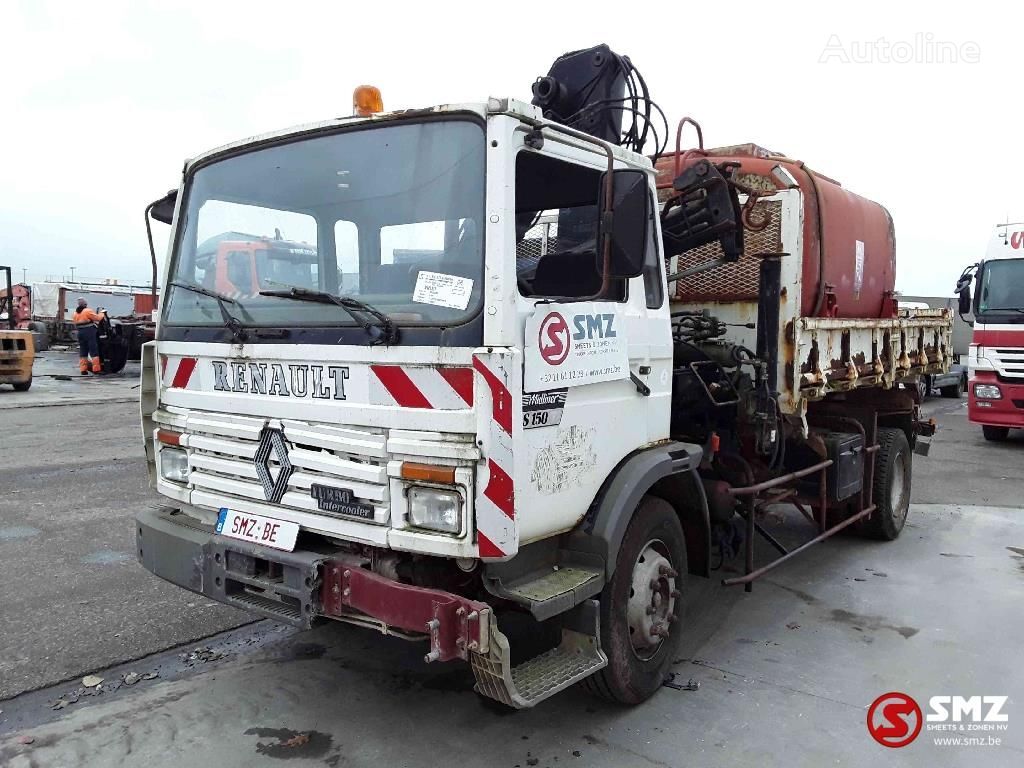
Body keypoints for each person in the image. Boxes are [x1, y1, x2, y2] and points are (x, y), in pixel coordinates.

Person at [72, 298, 106, 375]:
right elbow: (98, 318)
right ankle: (96, 369)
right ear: (85, 304)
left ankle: (83, 370)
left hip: (80, 333)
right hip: (89, 332)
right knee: (93, 350)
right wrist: (102, 313)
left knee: (83, 351)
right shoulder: (87, 311)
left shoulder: (75, 313)